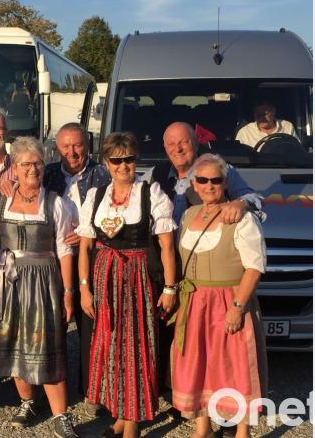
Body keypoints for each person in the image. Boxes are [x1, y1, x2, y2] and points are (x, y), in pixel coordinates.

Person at [144, 121, 265, 398]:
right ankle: (177, 393)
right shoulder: (155, 174)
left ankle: (223, 405)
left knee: (216, 347)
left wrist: (240, 203)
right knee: (173, 336)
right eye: (171, 144)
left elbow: (254, 198)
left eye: (184, 142)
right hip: (167, 265)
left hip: (211, 273)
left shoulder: (215, 168)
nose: (178, 148)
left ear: (195, 143)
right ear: (164, 148)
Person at [76, 132, 178, 438]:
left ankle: (132, 420)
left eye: (129, 159)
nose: (123, 166)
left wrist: (170, 288)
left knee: (135, 347)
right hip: (103, 278)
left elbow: (167, 246)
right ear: (106, 163)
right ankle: (120, 413)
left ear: (136, 160)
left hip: (136, 279)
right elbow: (84, 247)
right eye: (117, 160)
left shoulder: (151, 193)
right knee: (110, 347)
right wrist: (84, 287)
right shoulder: (95, 195)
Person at [0, 137, 78, 438]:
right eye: (25, 163)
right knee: (12, 342)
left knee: (47, 345)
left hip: (44, 281)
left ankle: (61, 415)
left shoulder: (56, 203)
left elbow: (64, 249)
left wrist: (68, 292)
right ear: (15, 167)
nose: (32, 168)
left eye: (37, 162)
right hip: (9, 281)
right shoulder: (2, 199)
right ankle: (27, 401)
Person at [170, 153, 268, 438]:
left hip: (229, 299)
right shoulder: (188, 215)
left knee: (235, 365)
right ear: (194, 185)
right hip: (195, 301)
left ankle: (242, 431)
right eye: (203, 180)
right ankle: (203, 427)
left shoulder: (241, 217)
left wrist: (237, 306)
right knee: (198, 363)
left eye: (216, 180)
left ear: (225, 183)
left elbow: (254, 266)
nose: (209, 185)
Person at [41, 122, 110, 416]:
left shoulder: (104, 174)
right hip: (53, 259)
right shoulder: (47, 174)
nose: (72, 152)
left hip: (92, 256)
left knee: (91, 326)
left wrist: (88, 233)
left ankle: (92, 388)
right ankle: (51, 390)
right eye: (66, 146)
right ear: (57, 148)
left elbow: (117, 215)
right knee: (52, 326)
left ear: (88, 145)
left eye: (78, 145)